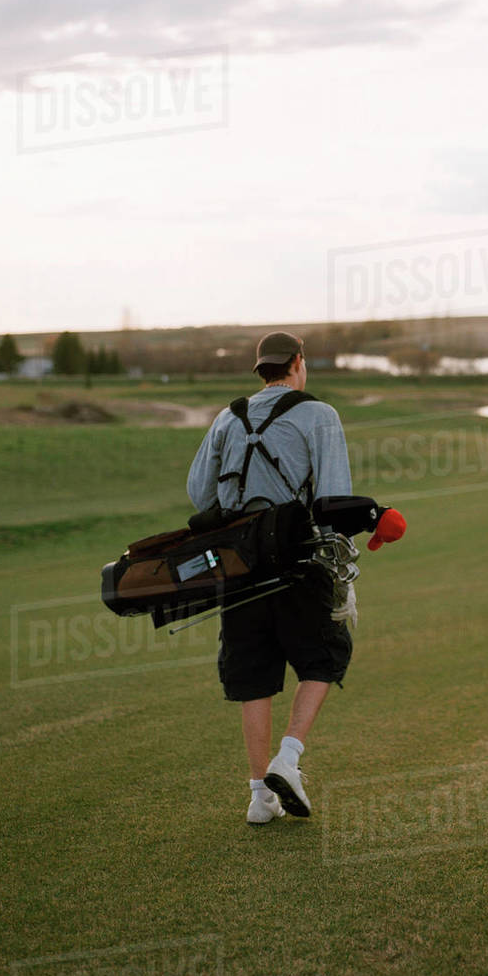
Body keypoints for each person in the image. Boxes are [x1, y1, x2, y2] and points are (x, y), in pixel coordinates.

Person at [186, 331, 356, 826]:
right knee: (325, 657)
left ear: (260, 369)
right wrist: (337, 561)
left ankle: (260, 797)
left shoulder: (226, 417)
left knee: (254, 676)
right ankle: (289, 758)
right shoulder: (318, 414)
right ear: (298, 364)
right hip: (297, 563)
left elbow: (200, 494)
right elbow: (332, 500)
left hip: (237, 566)